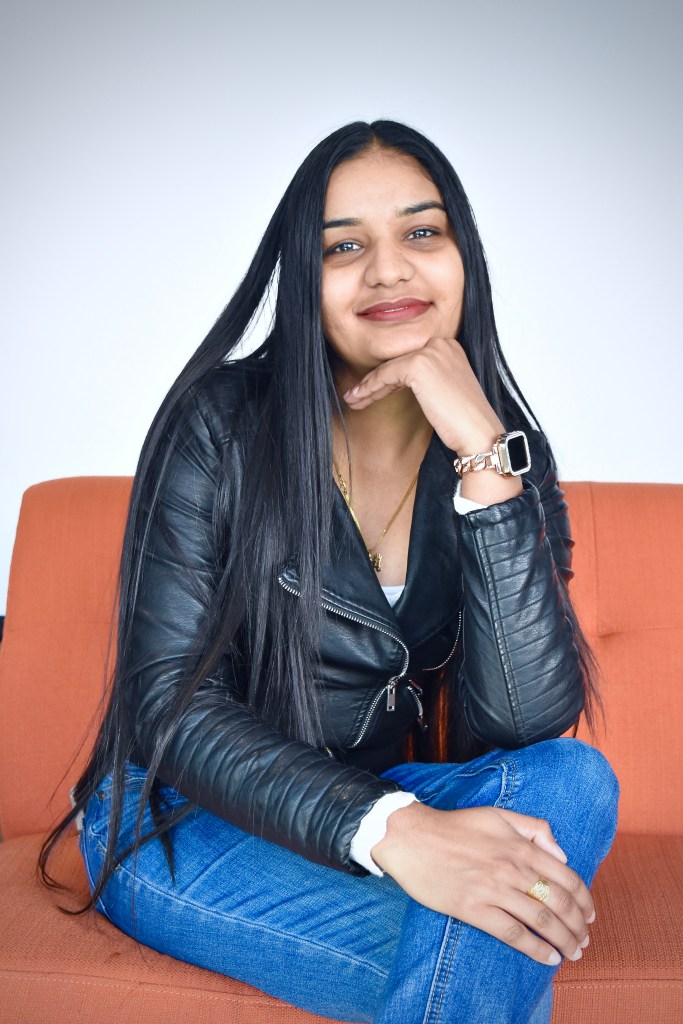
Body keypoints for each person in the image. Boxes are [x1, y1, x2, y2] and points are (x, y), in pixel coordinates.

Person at [41, 120, 619, 1023]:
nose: (388, 271)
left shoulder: (505, 452)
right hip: (180, 818)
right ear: (300, 280)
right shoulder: (216, 423)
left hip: (382, 800)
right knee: (495, 944)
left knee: (572, 778)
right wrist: (392, 831)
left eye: (420, 232)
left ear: (464, 259)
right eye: (343, 247)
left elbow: (523, 721)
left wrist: (483, 456)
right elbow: (168, 707)